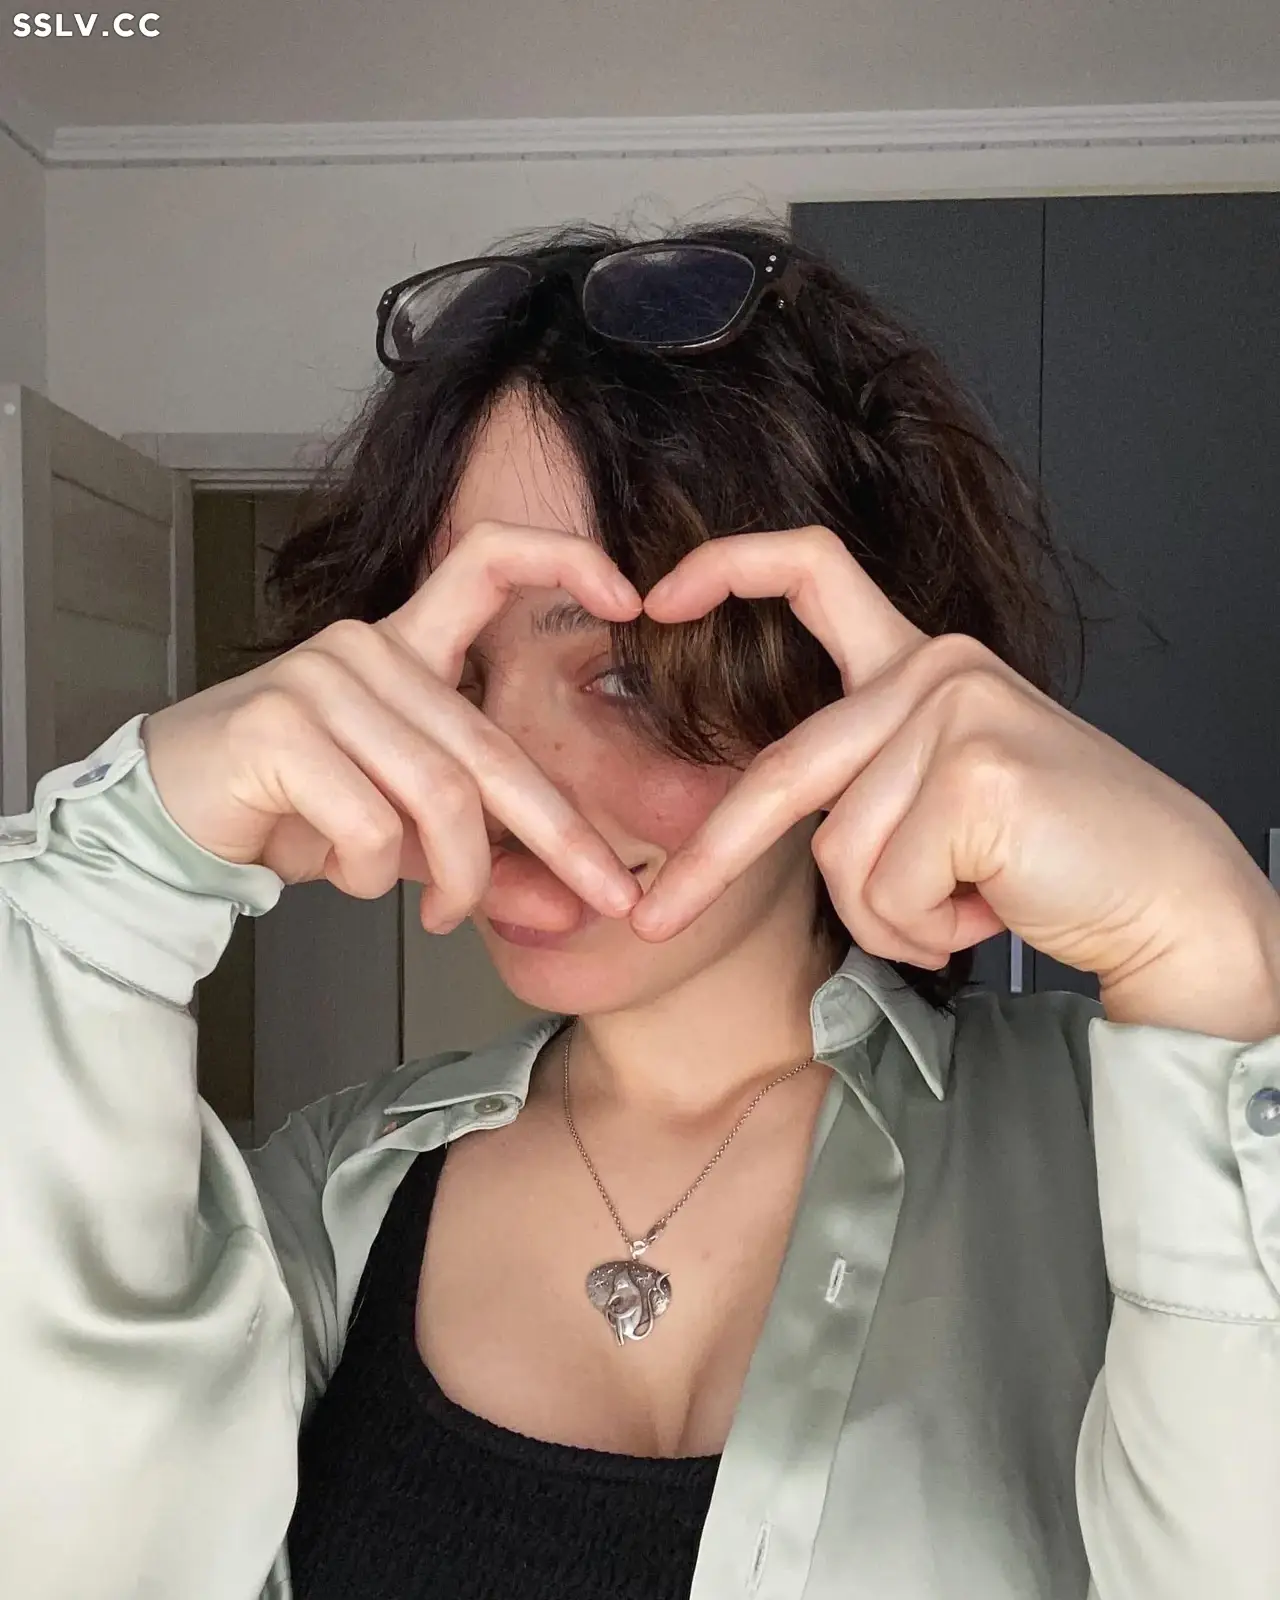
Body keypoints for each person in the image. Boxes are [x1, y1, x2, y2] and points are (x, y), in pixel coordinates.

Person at [2, 221, 1278, 1600]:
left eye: (627, 674)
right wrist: (117, 867)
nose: (497, 778)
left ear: (854, 684)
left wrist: (1211, 944)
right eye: (449, 679)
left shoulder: (1126, 1151)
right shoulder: (322, 1200)